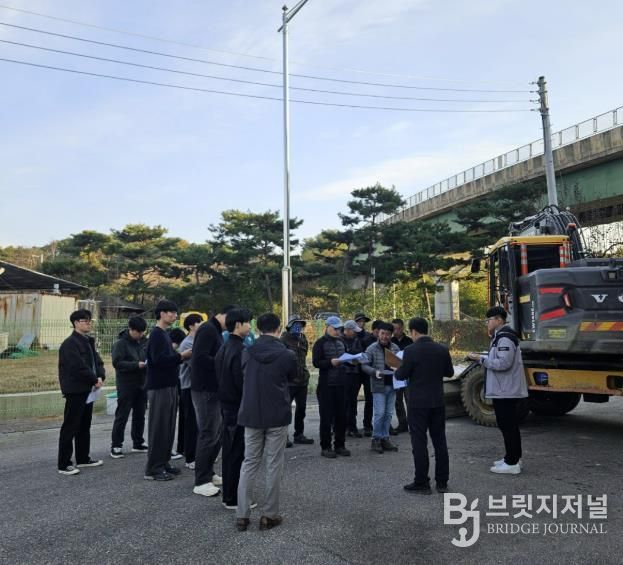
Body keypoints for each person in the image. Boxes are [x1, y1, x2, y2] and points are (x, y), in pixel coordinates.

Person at [236, 313, 297, 531]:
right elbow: (293, 377)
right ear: (279, 329)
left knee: (249, 462)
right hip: (277, 413)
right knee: (274, 463)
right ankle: (269, 514)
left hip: (251, 412)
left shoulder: (247, 352)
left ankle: (242, 515)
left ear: (258, 329)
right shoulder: (287, 354)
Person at [395, 317, 454, 494]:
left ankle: (422, 482)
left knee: (419, 442)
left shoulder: (410, 350)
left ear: (413, 331)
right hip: (437, 401)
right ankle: (442, 482)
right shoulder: (442, 349)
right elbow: (449, 372)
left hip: (418, 403)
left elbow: (402, 375)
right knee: (440, 441)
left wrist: (397, 369)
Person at [467, 306, 528, 475]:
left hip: (506, 390)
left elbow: (503, 363)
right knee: (507, 425)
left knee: (508, 425)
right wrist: (482, 358)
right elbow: (498, 359)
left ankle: (512, 462)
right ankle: (512, 457)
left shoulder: (505, 338)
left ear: (499, 320)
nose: (487, 323)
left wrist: (481, 359)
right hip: (504, 389)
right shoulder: (500, 337)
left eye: (489, 320)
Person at [191, 304, 236, 497]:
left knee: (216, 433)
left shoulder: (215, 330)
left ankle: (209, 473)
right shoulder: (208, 329)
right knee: (208, 433)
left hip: (212, 389)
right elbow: (200, 358)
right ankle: (201, 481)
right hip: (204, 389)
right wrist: (223, 363)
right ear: (223, 315)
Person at [144, 300, 192, 481]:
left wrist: (177, 356)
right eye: (171, 312)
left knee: (168, 426)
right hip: (160, 386)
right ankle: (153, 468)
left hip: (169, 385)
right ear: (162, 313)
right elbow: (158, 361)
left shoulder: (164, 334)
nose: (174, 316)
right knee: (159, 427)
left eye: (175, 312)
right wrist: (181, 356)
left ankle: (163, 462)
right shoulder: (157, 334)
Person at [57, 309, 105, 475]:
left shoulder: (88, 341)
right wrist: (93, 379)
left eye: (90, 320)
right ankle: (64, 464)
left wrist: (100, 376)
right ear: (76, 323)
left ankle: (83, 458)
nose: (89, 323)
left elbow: (98, 362)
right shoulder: (69, 344)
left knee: (85, 424)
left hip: (89, 389)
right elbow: (77, 367)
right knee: (70, 426)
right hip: (76, 390)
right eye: (86, 321)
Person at [216, 308, 253, 510]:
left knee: (230, 451)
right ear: (238, 324)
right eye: (248, 323)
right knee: (237, 453)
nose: (250, 327)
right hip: (237, 407)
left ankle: (229, 495)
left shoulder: (225, 346)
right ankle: (234, 498)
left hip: (226, 405)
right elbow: (242, 382)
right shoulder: (239, 349)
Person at [312, 316, 350, 458]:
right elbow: (316, 362)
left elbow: (346, 358)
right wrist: (330, 362)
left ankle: (340, 445)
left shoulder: (342, 342)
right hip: (326, 385)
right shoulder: (319, 343)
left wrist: (352, 361)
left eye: (339, 329)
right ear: (327, 327)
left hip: (342, 383)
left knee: (341, 416)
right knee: (326, 418)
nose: (338, 331)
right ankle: (326, 447)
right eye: (335, 328)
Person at [110, 316, 148, 459]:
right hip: (126, 384)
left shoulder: (144, 342)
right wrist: (136, 365)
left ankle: (138, 442)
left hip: (142, 383)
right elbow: (117, 363)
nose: (140, 335)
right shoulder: (120, 344)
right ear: (130, 329)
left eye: (142, 332)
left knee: (140, 414)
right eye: (138, 332)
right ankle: (116, 445)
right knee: (122, 415)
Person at [361, 322, 401, 454]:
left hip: (393, 385)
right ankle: (376, 439)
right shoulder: (371, 348)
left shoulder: (395, 348)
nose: (384, 336)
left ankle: (385, 438)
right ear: (378, 333)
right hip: (378, 386)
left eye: (388, 334)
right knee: (379, 413)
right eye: (382, 333)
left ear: (391, 335)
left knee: (388, 414)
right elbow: (364, 365)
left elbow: (401, 364)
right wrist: (374, 372)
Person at [280, 314, 314, 447]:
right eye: (295, 324)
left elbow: (303, 357)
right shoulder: (283, 339)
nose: (298, 327)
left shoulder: (303, 338)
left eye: (300, 325)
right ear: (289, 326)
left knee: (302, 409)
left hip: (302, 380)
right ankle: (284, 437)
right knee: (285, 410)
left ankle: (299, 434)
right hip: (289, 381)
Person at [178, 313, 204, 469]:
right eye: (199, 322)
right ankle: (190, 457)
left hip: (196, 387)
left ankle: (197, 453)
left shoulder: (197, 341)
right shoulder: (187, 343)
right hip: (188, 387)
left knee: (198, 423)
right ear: (191, 326)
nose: (202, 324)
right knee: (191, 423)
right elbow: (196, 365)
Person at [341, 320, 364, 438]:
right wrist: (350, 354)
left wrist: (353, 354)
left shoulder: (356, 340)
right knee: (343, 402)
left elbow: (360, 351)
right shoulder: (339, 340)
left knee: (353, 401)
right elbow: (339, 355)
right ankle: (342, 427)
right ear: (347, 330)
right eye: (353, 331)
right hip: (343, 374)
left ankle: (353, 427)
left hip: (355, 373)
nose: (355, 333)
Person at [353, 313, 374, 436]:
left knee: (369, 398)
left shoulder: (367, 336)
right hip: (354, 371)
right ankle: (352, 425)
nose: (361, 323)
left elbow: (370, 348)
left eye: (363, 321)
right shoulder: (351, 335)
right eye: (359, 321)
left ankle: (367, 425)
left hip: (366, 370)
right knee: (352, 399)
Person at [391, 318, 413, 434]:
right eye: (394, 329)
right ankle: (402, 424)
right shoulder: (390, 341)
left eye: (398, 329)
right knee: (397, 401)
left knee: (410, 400)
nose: (396, 331)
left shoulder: (410, 341)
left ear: (402, 328)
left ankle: (412, 424)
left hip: (408, 375)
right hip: (396, 375)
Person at [170, 327, 187, 461]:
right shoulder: (172, 351)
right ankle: (168, 449)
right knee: (168, 421)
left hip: (176, 386)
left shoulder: (172, 350)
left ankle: (172, 448)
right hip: (171, 387)